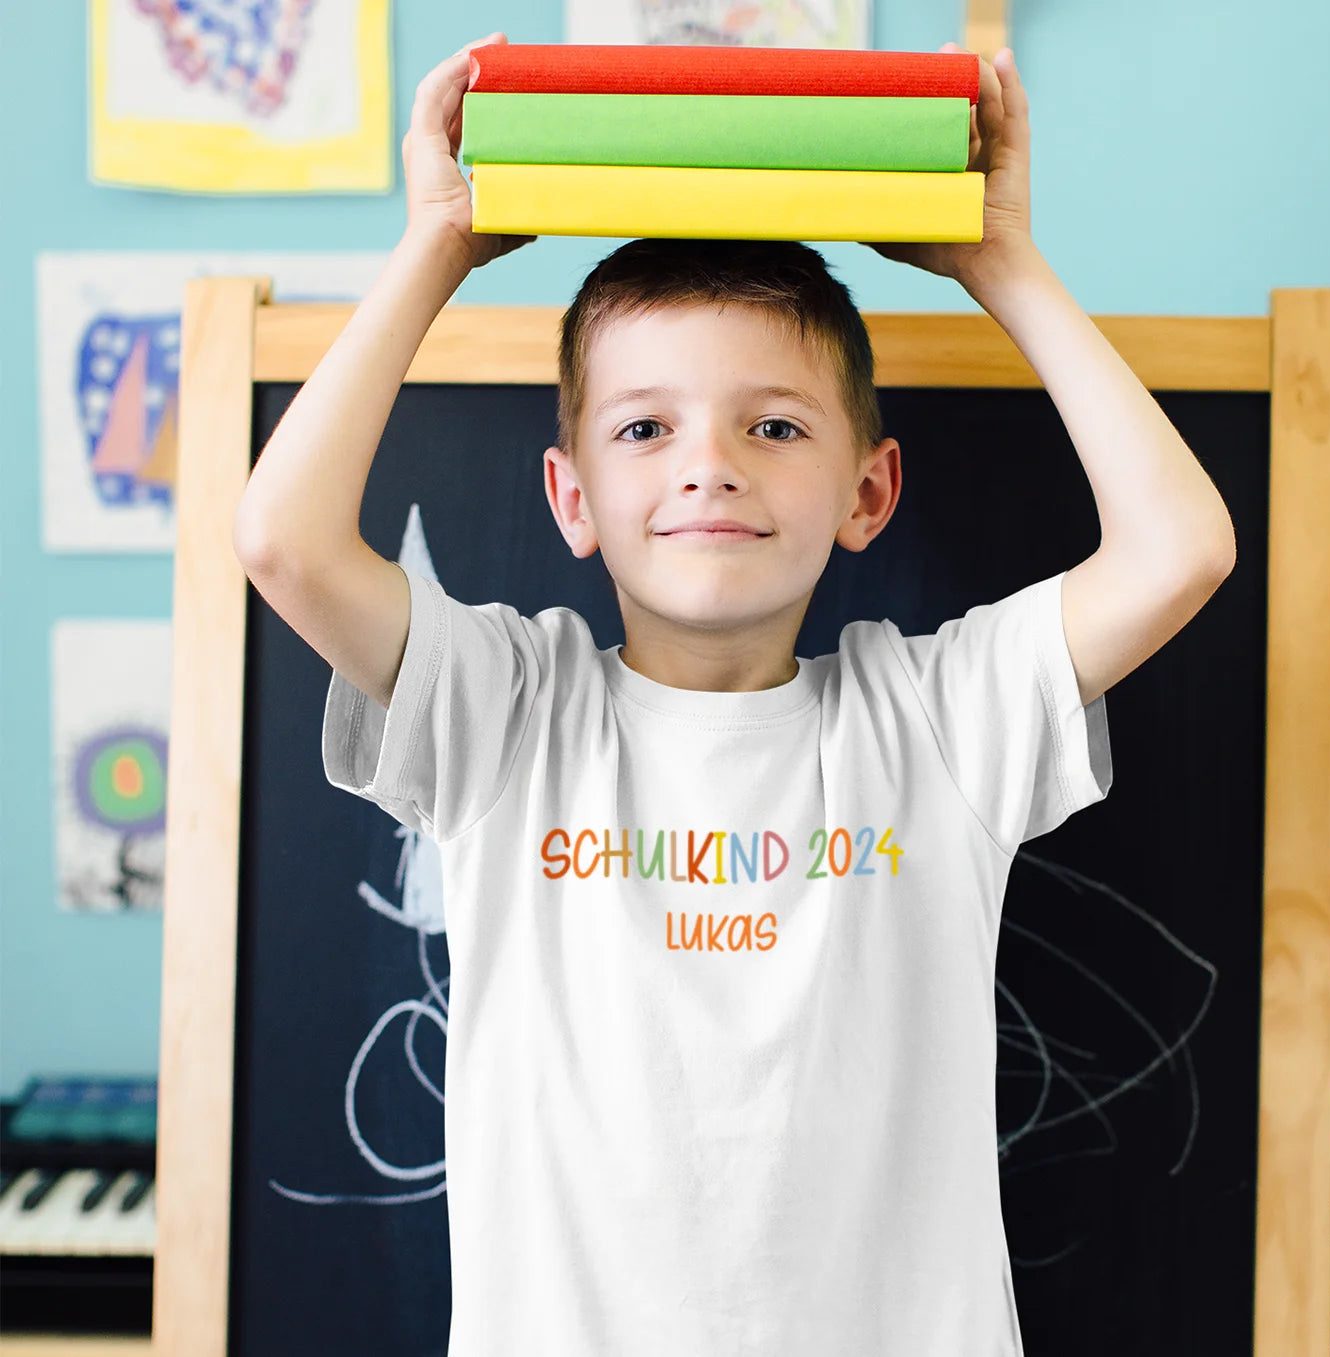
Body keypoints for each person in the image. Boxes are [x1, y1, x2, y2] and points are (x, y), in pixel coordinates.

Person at [231, 31, 1236, 1356]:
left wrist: (1001, 260)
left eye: (773, 424)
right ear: (571, 498)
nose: (707, 465)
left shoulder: (931, 724)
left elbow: (1184, 549)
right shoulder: (508, 714)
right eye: (645, 427)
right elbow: (282, 541)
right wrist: (437, 243)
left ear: (868, 491)